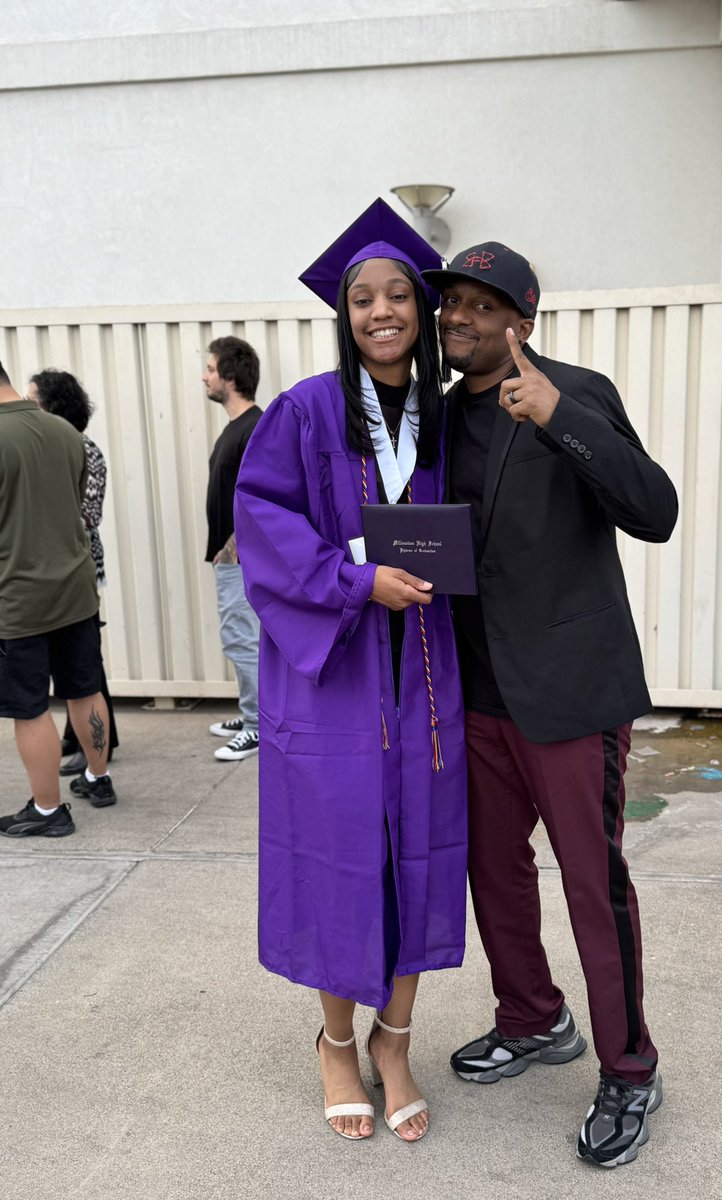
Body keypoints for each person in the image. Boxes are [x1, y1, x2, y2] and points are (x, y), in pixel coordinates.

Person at [420, 244, 679, 1168]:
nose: (458, 317)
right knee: (493, 873)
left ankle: (631, 1068)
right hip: (478, 692)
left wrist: (560, 418)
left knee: (591, 885)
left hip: (571, 692)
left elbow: (655, 510)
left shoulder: (576, 391)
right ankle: (532, 1017)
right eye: (451, 301)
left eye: (482, 305)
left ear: (521, 323)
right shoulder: (435, 420)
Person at [234, 199, 467, 1144]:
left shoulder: (447, 417)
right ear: (344, 313)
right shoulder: (305, 410)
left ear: (422, 308)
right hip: (333, 676)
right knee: (340, 863)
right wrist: (357, 580)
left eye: (398, 294)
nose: (381, 311)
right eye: (362, 297)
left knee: (420, 858)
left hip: (425, 674)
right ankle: (336, 1043)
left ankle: (394, 1042)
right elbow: (264, 525)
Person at [0, 360, 117, 839]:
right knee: (85, 688)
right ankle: (98, 777)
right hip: (75, 588)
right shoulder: (67, 433)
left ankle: (48, 810)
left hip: (17, 597)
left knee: (29, 708)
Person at [27, 369, 120, 776]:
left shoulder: (84, 449)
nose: (26, 407)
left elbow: (88, 514)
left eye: (33, 400)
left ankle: (98, 745)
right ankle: (73, 733)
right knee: (72, 658)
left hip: (79, 564)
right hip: (57, 562)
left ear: (53, 404)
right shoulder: (44, 446)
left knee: (85, 661)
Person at [203, 336, 262, 761]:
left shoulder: (255, 427)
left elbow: (261, 497)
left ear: (230, 375)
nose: (204, 377)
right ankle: (249, 713)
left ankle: (258, 725)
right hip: (229, 555)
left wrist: (234, 548)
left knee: (242, 639)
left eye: (210, 369)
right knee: (239, 638)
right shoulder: (235, 427)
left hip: (239, 557)